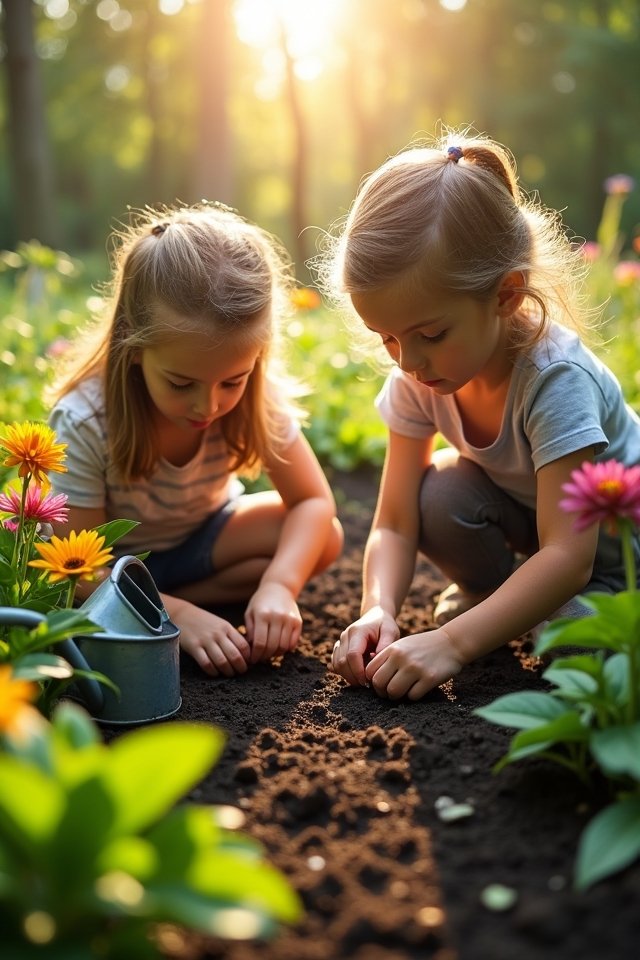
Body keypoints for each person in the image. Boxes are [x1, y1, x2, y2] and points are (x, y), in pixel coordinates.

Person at [325, 130, 640, 701]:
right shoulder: (421, 373)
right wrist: (377, 609)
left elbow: (569, 556)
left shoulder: (555, 380)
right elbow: (395, 520)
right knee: (438, 494)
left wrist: (452, 643)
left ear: (506, 294)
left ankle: (512, 616)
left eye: (430, 334)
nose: (409, 361)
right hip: (540, 539)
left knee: (576, 647)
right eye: (387, 339)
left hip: (615, 556)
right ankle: (501, 605)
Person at [47, 203, 343, 677]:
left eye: (233, 381)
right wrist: (178, 617)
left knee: (324, 538)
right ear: (133, 344)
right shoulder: (86, 421)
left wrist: (279, 587)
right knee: (68, 588)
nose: (208, 406)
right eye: (182, 384)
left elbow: (312, 502)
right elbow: (77, 568)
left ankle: (150, 604)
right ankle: (150, 605)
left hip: (200, 541)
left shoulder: (255, 400)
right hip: (110, 568)